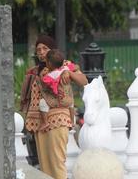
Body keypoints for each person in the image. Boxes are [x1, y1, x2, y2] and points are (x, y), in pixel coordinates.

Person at [20, 35, 88, 179]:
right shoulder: (35, 71)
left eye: (45, 48)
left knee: (57, 162)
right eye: (38, 49)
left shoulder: (64, 65)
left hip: (58, 118)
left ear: (52, 50)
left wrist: (68, 72)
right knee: (45, 165)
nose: (41, 52)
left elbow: (83, 81)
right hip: (40, 121)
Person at [39, 49, 77, 131]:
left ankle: (45, 122)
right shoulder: (66, 68)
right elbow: (74, 66)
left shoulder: (50, 76)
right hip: (67, 100)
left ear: (49, 63)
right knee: (71, 102)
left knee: (42, 102)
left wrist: (41, 75)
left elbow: (44, 83)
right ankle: (72, 121)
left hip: (56, 101)